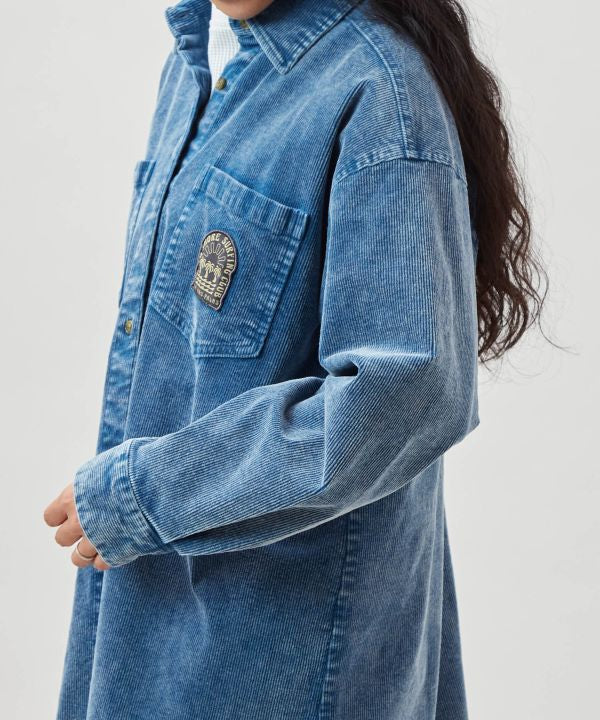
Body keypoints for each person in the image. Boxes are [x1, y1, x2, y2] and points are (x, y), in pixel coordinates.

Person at [43, 1, 547, 718]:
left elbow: (407, 394)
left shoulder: (379, 93)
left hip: (283, 655)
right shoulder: (197, 60)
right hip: (144, 624)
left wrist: (142, 493)